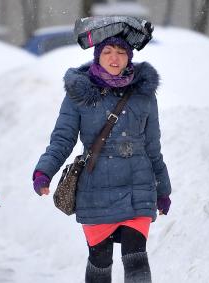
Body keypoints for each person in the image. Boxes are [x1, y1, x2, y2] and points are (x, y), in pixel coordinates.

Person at [33, 34, 172, 282]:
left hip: (137, 186)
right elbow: (63, 139)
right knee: (100, 259)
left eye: (121, 51)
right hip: (96, 186)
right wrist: (45, 171)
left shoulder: (144, 94)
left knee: (136, 256)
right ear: (98, 55)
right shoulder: (79, 94)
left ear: (129, 56)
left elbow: (153, 147)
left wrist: (162, 189)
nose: (114, 58)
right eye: (108, 51)